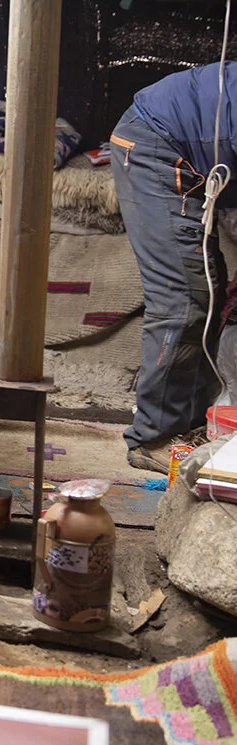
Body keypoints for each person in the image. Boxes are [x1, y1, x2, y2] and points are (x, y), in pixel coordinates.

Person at [110, 60, 237, 473]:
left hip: (188, 141)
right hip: (156, 140)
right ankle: (154, 437)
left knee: (209, 288)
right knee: (183, 297)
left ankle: (191, 425)